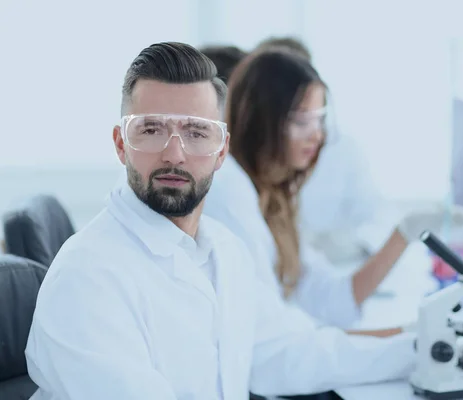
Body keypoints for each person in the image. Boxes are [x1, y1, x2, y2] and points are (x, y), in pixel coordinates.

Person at [24, 42, 420, 400]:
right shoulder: (87, 278)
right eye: (151, 130)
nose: (175, 154)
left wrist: (420, 349)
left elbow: (280, 354)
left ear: (221, 151)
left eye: (197, 133)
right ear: (119, 143)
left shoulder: (225, 252)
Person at [203, 49, 463, 330]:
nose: (317, 135)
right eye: (302, 121)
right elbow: (276, 339)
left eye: (319, 119)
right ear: (260, 121)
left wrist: (403, 234)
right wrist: (409, 341)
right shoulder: (230, 194)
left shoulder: (273, 200)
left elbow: (331, 298)